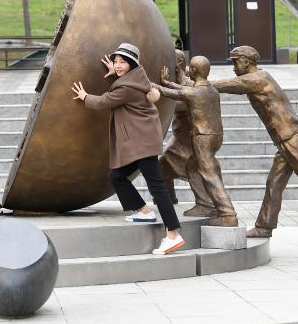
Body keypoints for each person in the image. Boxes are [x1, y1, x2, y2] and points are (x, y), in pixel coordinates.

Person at [213, 46, 298, 238]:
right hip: (284, 138)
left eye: (235, 62)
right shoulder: (255, 78)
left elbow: (224, 85)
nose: (233, 67)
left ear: (246, 61)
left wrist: (197, 82)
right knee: (274, 183)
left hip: (290, 137)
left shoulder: (258, 78)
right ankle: (264, 226)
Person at [71, 43, 185, 255]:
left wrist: (85, 96)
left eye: (123, 62)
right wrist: (115, 75)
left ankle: (173, 234)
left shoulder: (126, 88)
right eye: (116, 61)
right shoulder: (138, 79)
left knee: (157, 188)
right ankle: (144, 210)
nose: (118, 65)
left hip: (141, 142)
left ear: (132, 64)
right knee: (117, 176)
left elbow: (104, 101)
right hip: (141, 140)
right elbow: (125, 89)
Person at [154, 55, 238, 227]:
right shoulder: (211, 90)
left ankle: (227, 213)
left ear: (192, 71)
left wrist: (149, 83)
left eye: (190, 68)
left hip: (202, 137)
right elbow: (179, 90)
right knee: (192, 167)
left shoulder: (193, 93)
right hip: (215, 136)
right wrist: (167, 81)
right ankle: (204, 204)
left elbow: (171, 93)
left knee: (208, 173)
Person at [159, 50, 215, 215]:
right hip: (180, 136)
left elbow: (182, 103)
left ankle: (206, 203)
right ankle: (169, 200)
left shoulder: (193, 85)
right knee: (162, 166)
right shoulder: (175, 79)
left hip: (191, 137)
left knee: (195, 169)